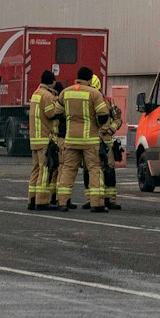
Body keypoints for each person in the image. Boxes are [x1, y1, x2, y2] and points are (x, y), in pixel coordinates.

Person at [59, 67, 107, 212]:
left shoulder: (65, 92)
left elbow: (57, 112)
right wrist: (97, 125)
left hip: (71, 139)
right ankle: (96, 203)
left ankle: (63, 202)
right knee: (94, 169)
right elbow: (103, 115)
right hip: (89, 140)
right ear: (90, 79)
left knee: (68, 169)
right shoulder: (94, 93)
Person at [25, 71, 63, 211]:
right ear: (52, 81)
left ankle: (32, 199)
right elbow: (51, 114)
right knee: (45, 169)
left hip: (35, 139)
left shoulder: (36, 93)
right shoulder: (47, 96)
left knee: (35, 169)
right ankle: (41, 201)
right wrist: (60, 108)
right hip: (45, 138)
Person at [91, 73, 122, 210]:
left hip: (106, 142)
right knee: (91, 171)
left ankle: (111, 199)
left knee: (109, 171)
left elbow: (118, 118)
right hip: (92, 141)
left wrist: (110, 130)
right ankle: (92, 199)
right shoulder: (87, 101)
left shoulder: (108, 101)